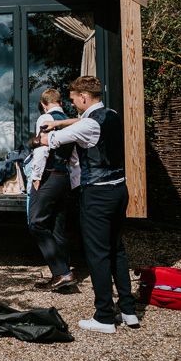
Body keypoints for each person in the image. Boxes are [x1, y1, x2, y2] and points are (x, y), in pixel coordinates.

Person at [40, 76, 138, 334]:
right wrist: (60, 121)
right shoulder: (110, 114)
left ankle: (104, 316)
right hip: (119, 190)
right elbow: (81, 122)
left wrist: (44, 133)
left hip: (98, 195)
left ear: (84, 97)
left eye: (73, 99)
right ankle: (128, 310)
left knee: (97, 254)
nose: (71, 103)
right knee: (117, 249)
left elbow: (49, 142)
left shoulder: (87, 126)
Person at [27, 89, 80, 291]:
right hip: (64, 177)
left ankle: (62, 273)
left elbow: (41, 149)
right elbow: (74, 157)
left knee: (36, 223)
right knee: (58, 228)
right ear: (61, 103)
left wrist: (36, 177)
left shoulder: (45, 118)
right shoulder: (68, 120)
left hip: (48, 175)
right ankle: (63, 279)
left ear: (43, 104)